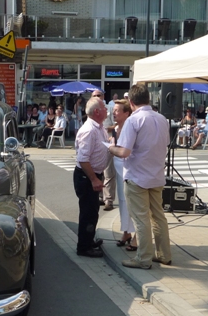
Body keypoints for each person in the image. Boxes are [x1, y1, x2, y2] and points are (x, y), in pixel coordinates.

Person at [109, 84, 172, 269]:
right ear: (148, 99)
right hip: (156, 174)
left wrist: (110, 148)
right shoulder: (162, 118)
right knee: (158, 217)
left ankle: (143, 258)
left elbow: (124, 152)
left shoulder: (133, 120)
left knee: (141, 219)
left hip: (137, 176)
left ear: (130, 101)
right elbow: (165, 144)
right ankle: (164, 254)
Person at [73, 96, 110, 258]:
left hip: (93, 174)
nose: (107, 109)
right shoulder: (89, 130)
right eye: (104, 107)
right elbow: (83, 159)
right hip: (86, 176)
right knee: (88, 212)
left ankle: (88, 240)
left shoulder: (99, 127)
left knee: (93, 210)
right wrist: (94, 179)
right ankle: (84, 247)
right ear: (97, 112)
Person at [111, 99, 137, 250]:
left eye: (117, 110)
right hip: (118, 165)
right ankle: (126, 231)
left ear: (126, 113)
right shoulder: (115, 128)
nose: (114, 113)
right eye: (113, 110)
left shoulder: (130, 127)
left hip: (128, 167)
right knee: (121, 200)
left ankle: (134, 234)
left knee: (130, 200)